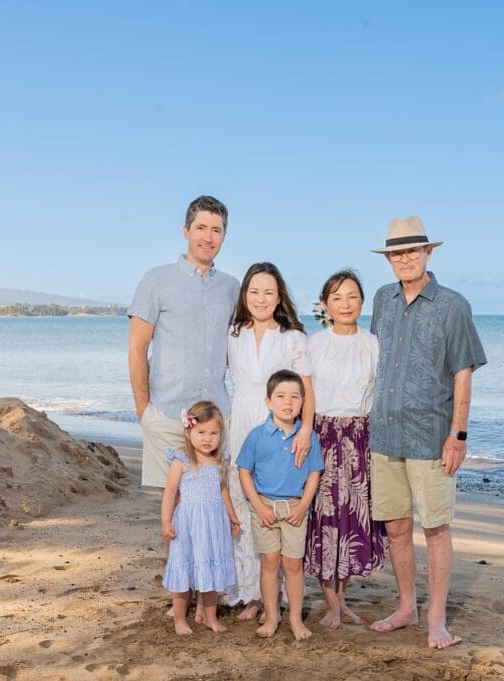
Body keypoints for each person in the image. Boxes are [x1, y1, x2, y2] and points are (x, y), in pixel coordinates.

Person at [367, 217, 487, 649]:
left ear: (428, 253)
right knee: (396, 526)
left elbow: (463, 372)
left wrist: (459, 435)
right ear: (389, 259)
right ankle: (406, 607)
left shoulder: (453, 305)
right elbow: (376, 360)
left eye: (411, 251)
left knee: (435, 527)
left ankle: (437, 621)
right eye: (396, 254)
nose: (404, 259)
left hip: (430, 436)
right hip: (385, 434)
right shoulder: (382, 300)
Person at [129, 195, 239, 489]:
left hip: (215, 422)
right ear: (186, 231)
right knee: (166, 510)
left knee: (214, 504)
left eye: (216, 230)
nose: (208, 238)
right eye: (201, 228)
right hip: (167, 419)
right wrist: (144, 412)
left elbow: (240, 349)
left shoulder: (232, 287)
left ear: (224, 236)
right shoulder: (156, 280)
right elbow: (137, 349)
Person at [225, 262, 314, 621]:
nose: (261, 299)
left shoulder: (293, 337)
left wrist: (305, 429)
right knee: (243, 499)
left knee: (277, 499)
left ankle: (278, 597)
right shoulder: (232, 333)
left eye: (268, 292)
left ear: (279, 297)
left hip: (280, 424)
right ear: (244, 295)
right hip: (241, 418)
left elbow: (306, 389)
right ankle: (251, 594)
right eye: (254, 291)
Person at [304, 270, 388, 628]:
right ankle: (331, 603)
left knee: (353, 519)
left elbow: (381, 394)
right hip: (322, 435)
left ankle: (342, 598)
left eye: (352, 296)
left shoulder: (374, 344)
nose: (345, 304)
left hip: (361, 437)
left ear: (362, 302)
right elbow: (304, 396)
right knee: (324, 519)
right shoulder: (314, 344)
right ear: (326, 304)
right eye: (337, 298)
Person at [236, 370, 324, 640]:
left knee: (293, 564)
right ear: (268, 401)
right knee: (270, 562)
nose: (288, 402)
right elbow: (244, 471)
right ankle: (272, 615)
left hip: (295, 507)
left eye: (295, 397)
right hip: (264, 506)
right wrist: (258, 506)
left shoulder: (308, 437)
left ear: (303, 402)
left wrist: (304, 505)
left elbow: (314, 473)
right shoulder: (257, 436)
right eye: (281, 396)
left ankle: (295, 619)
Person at [161, 401, 242, 636]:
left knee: (212, 571)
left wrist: (232, 516)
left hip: (214, 524)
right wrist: (166, 522)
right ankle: (180, 619)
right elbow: (169, 493)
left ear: (221, 435)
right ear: (188, 432)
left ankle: (210, 617)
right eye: (201, 432)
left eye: (214, 433)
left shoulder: (219, 461)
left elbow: (223, 490)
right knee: (183, 569)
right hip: (188, 524)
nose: (207, 438)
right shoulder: (182, 461)